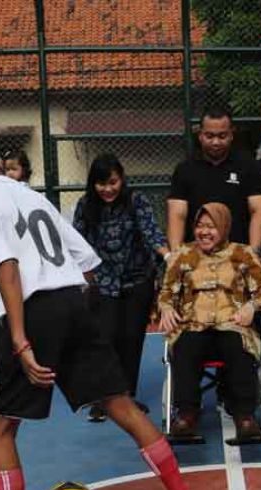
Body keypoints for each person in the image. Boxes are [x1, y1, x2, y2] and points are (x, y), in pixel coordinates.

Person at [0, 114, 208, 490]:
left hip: (35, 310)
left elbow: (5, 268)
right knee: (121, 404)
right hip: (75, 302)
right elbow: (86, 261)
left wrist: (20, 339)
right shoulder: (30, 195)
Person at [159, 203, 261, 440]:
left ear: (224, 227)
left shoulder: (242, 253)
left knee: (238, 348)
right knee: (185, 348)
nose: (204, 232)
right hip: (193, 324)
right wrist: (166, 306)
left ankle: (245, 417)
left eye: (211, 226)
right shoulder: (183, 255)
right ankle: (187, 416)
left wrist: (251, 307)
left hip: (232, 323)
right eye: (199, 226)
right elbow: (166, 292)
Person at [73, 153, 168, 422]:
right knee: (104, 337)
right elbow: (77, 241)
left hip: (137, 278)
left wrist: (168, 256)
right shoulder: (85, 206)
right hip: (104, 281)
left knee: (131, 337)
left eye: (113, 182)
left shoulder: (136, 201)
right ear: (93, 184)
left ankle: (126, 396)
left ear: (121, 179)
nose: (108, 189)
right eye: (101, 184)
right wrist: (80, 276)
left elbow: (151, 232)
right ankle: (104, 399)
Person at [167, 105, 261, 251]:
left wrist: (253, 253)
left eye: (222, 136)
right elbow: (177, 214)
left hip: (237, 254)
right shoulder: (185, 169)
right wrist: (177, 256)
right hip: (197, 255)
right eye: (209, 136)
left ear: (231, 135)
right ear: (200, 135)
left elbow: (257, 211)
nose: (215, 142)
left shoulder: (249, 167)